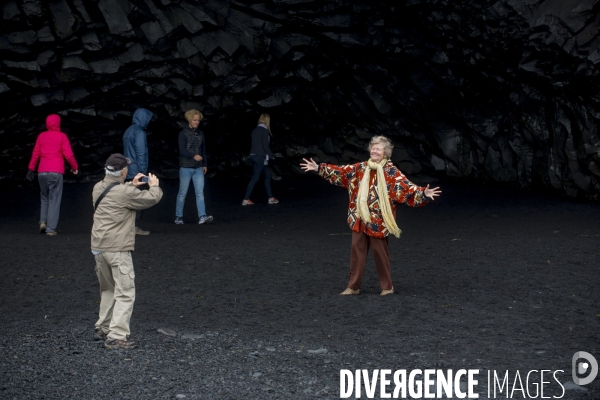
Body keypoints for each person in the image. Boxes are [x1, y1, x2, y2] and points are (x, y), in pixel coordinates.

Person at [300, 135, 441, 296]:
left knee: (380, 254)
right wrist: (319, 168)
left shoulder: (391, 172)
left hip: (378, 221)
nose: (374, 151)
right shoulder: (360, 168)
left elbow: (407, 189)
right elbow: (341, 172)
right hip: (359, 217)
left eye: (378, 148)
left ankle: (387, 287)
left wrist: (423, 193)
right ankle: (353, 287)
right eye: (373, 148)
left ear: (385, 153)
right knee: (356, 252)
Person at [91, 153, 163, 350]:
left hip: (98, 247)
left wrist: (130, 184)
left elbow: (116, 194)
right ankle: (116, 335)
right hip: (117, 248)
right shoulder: (125, 192)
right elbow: (151, 199)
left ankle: (103, 328)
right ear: (123, 171)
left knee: (108, 289)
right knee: (125, 292)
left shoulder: (97, 187)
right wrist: (154, 185)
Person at [26, 114, 79, 236]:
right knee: (54, 199)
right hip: (55, 171)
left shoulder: (41, 136)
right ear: (58, 123)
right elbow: (68, 154)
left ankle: (43, 221)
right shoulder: (62, 136)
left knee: (44, 197)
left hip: (42, 172)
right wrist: (74, 167)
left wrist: (31, 169)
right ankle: (50, 228)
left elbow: (35, 153)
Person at [174, 109, 213, 225]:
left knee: (200, 192)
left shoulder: (200, 133)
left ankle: (202, 216)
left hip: (198, 168)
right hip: (186, 167)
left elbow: (203, 150)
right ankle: (178, 217)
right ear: (189, 120)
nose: (196, 122)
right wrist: (193, 156)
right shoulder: (183, 134)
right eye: (194, 120)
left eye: (198, 120)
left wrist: (204, 163)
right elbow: (182, 150)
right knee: (182, 193)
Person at [123, 108, 153, 235]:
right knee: (138, 199)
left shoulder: (128, 131)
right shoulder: (140, 132)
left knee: (128, 198)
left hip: (128, 169)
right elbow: (141, 153)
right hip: (137, 170)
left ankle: (126, 226)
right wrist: (143, 171)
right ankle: (134, 227)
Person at [242, 113, 279, 206]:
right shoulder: (264, 130)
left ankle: (270, 198)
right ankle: (245, 199)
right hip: (260, 157)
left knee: (267, 176)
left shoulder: (254, 130)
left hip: (253, 156)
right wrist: (272, 157)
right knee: (255, 178)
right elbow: (265, 146)